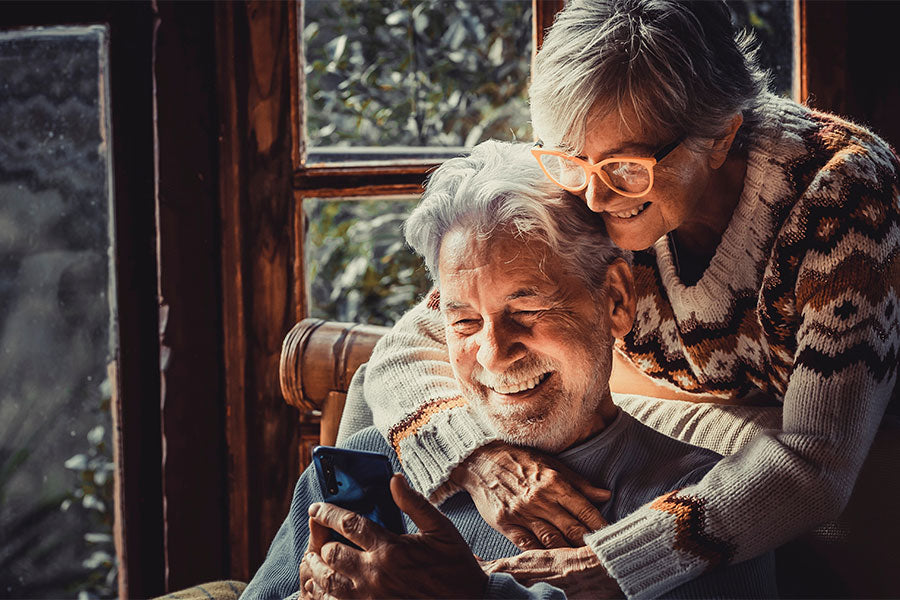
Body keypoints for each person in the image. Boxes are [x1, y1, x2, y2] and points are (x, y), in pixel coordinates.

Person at [360, 0, 900, 598]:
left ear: (721, 137)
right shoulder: (586, 167)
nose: (592, 199)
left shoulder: (843, 196)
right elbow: (414, 340)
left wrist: (618, 561)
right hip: (700, 427)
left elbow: (816, 461)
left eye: (625, 168)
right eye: (573, 163)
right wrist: (481, 457)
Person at [242, 141, 777, 600]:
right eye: (466, 321)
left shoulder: (707, 510)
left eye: (528, 311)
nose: (495, 353)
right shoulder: (363, 467)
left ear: (615, 299)